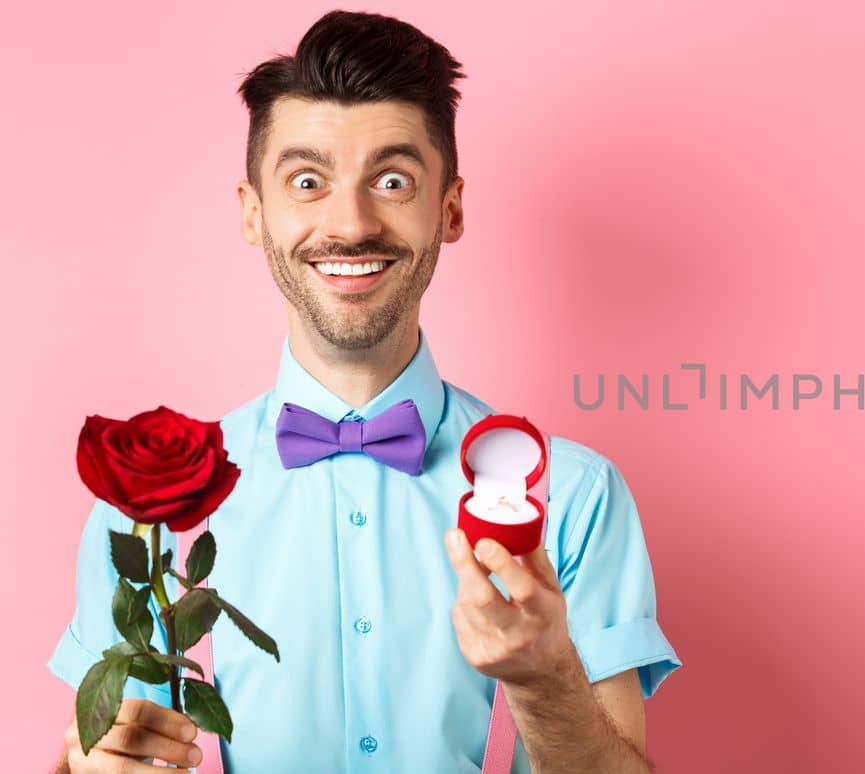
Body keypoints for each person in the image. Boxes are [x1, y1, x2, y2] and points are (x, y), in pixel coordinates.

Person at [48, 10, 681, 773]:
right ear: (254, 214)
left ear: (448, 208)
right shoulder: (141, 508)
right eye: (307, 182)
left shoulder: (577, 496)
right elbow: (100, 750)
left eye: (391, 180)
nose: (349, 224)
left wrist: (545, 680)